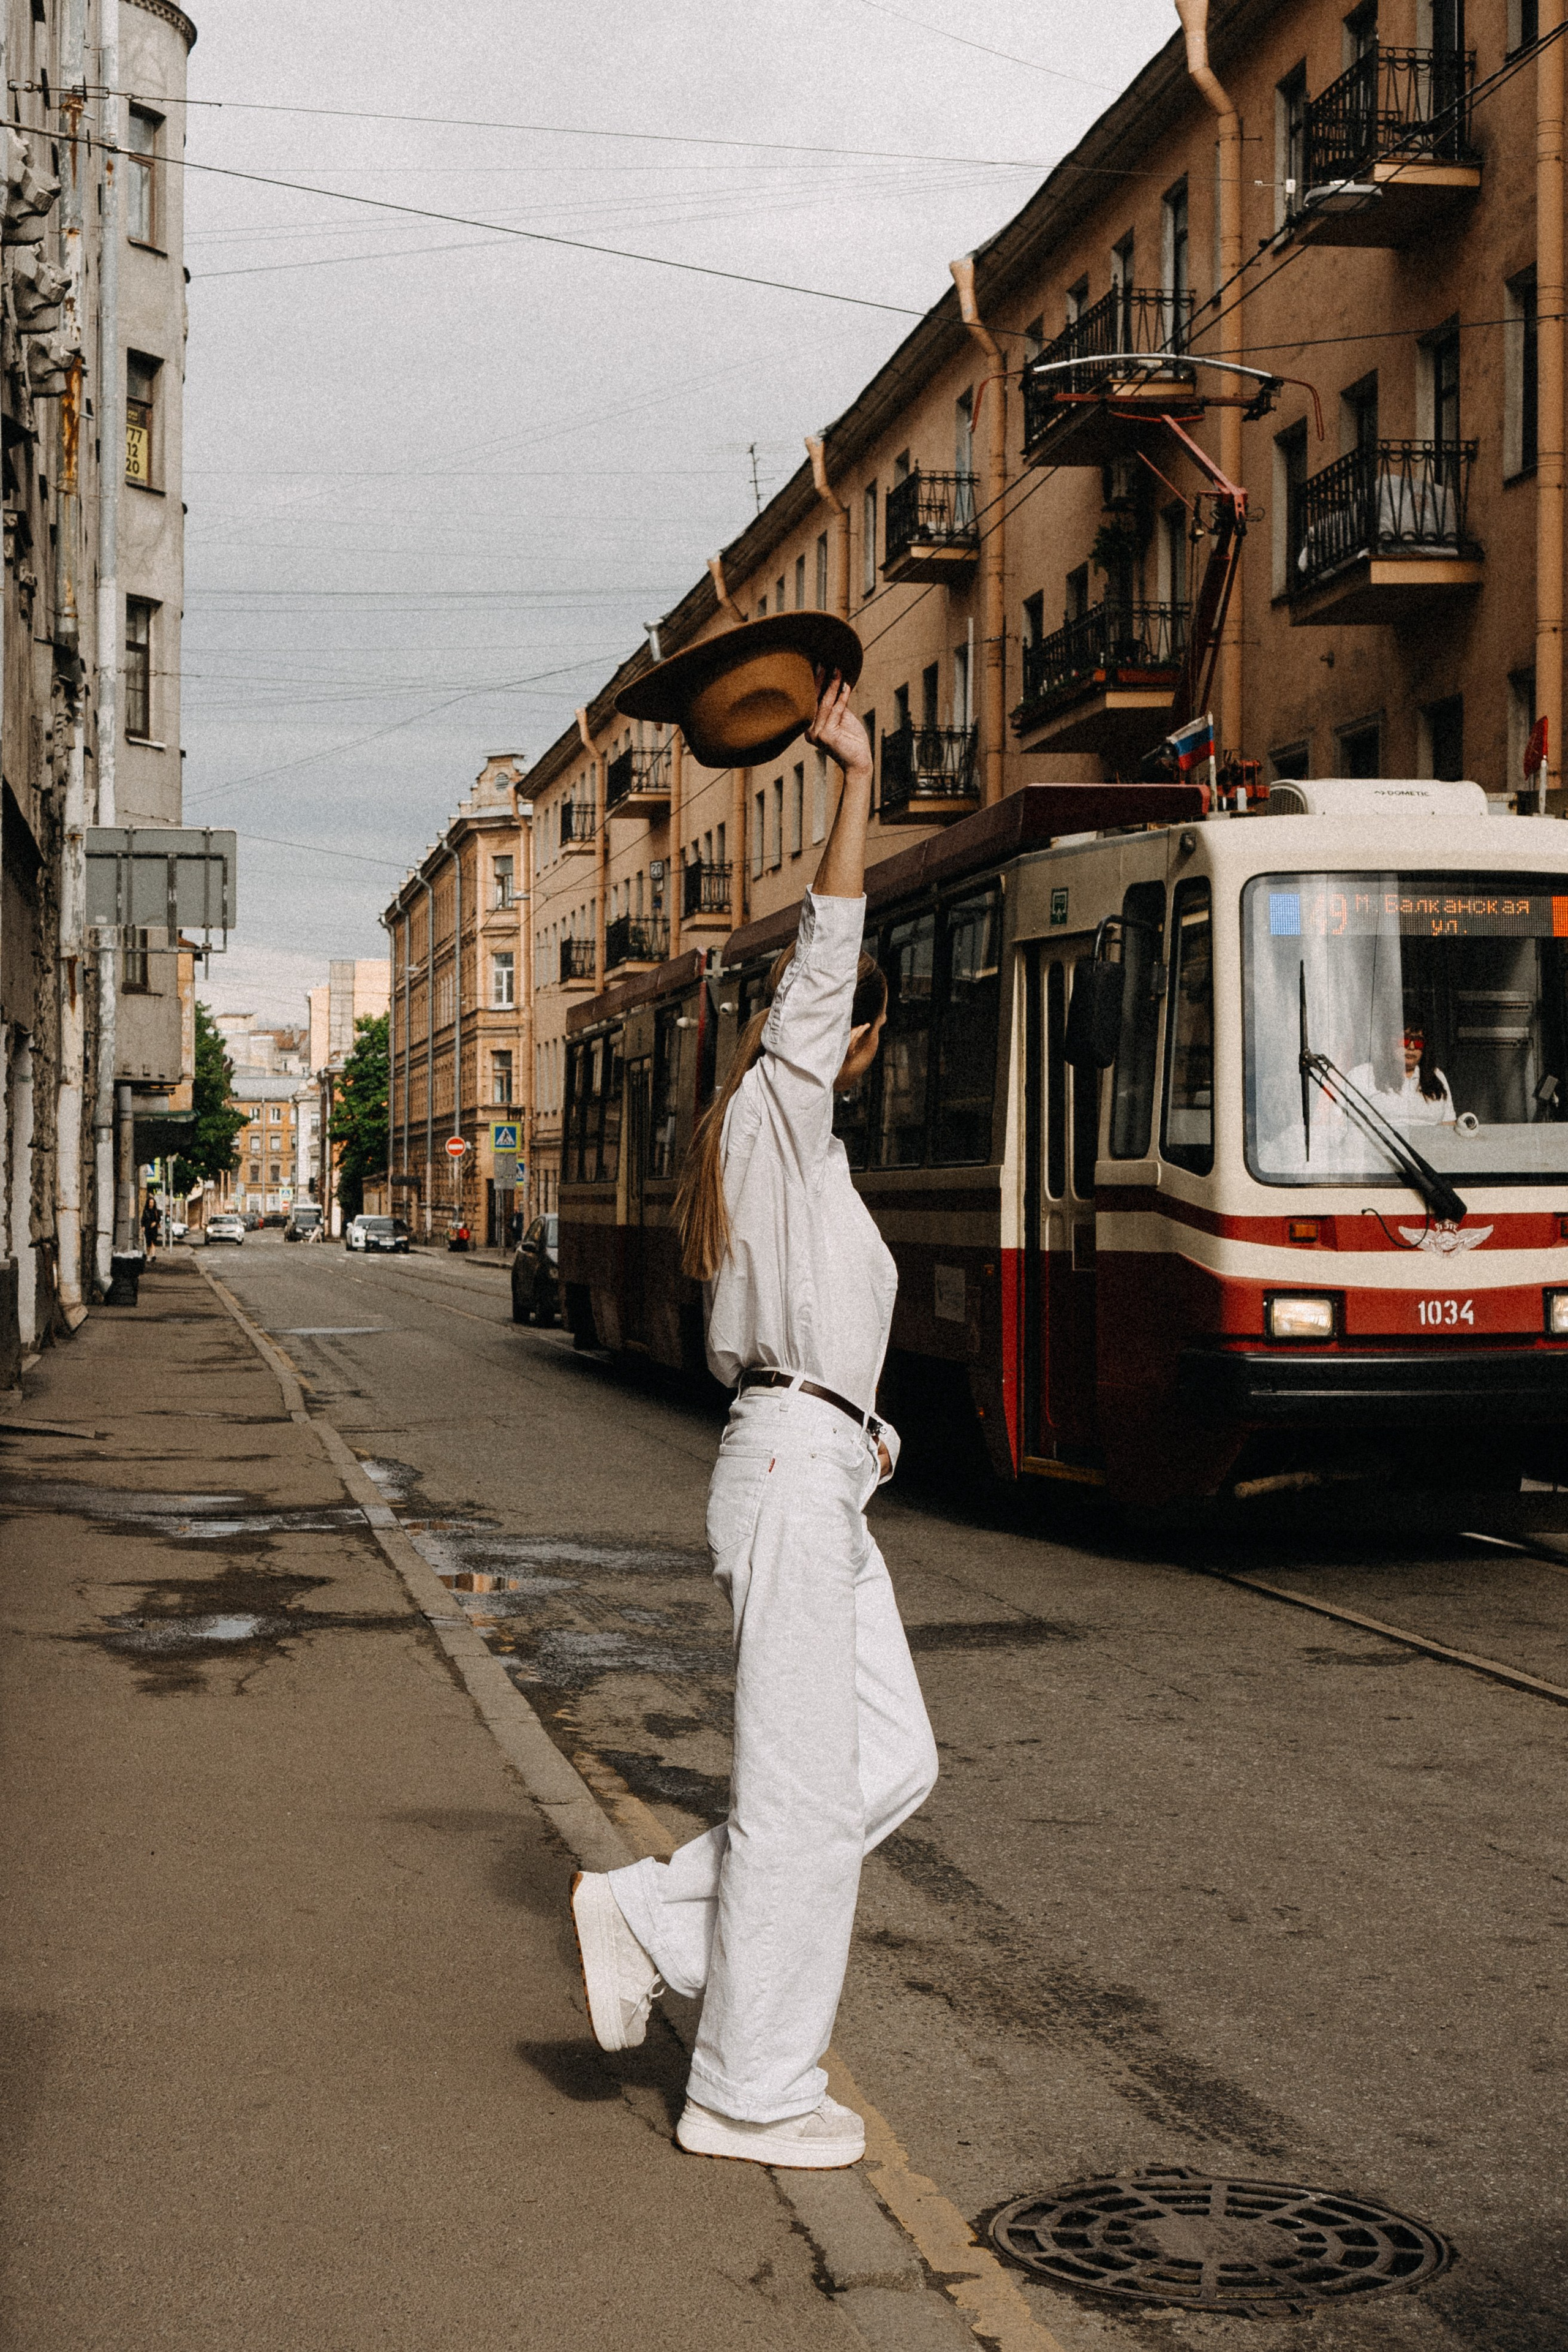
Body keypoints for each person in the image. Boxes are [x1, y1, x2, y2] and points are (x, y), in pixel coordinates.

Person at [570, 665, 937, 2171]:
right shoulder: (782, 1106)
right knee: (792, 1796)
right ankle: (746, 2091)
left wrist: (868, 1430)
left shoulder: (801, 1167)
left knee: (887, 1760)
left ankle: (654, 1913)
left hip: (813, 1469)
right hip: (790, 1477)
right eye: (859, 1027)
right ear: (837, 1037)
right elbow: (827, 954)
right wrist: (850, 783)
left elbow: (806, 1351)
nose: (864, 1039)